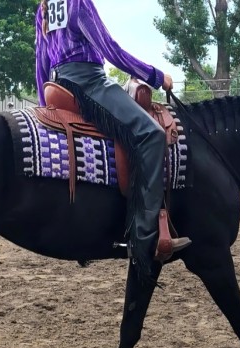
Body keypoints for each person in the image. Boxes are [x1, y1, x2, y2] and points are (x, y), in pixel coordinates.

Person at [35, 0, 191, 280]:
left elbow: (41, 63)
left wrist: (43, 105)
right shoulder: (78, 3)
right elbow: (110, 49)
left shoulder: (45, 8)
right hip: (89, 83)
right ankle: (146, 237)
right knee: (152, 134)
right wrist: (156, 76)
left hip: (56, 86)